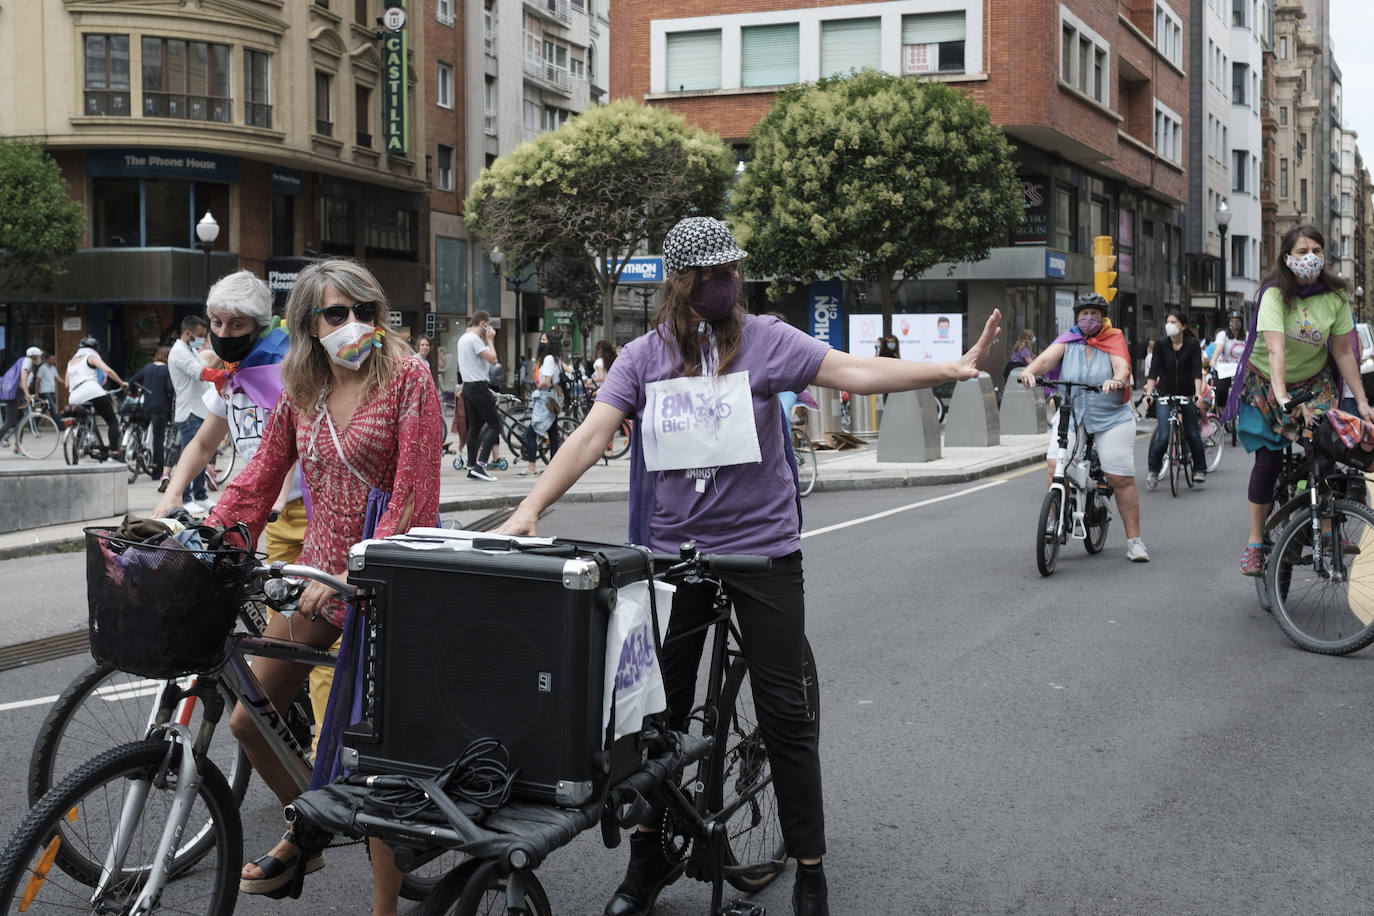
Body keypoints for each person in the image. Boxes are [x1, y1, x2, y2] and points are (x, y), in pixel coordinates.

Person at [499, 216, 1002, 916]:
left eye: (732, 269)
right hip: (674, 553)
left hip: (762, 549)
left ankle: (812, 869)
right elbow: (591, 435)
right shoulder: (643, 357)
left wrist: (948, 368)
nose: (726, 283)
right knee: (656, 719)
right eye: (711, 275)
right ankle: (647, 861)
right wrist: (532, 507)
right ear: (681, 284)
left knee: (785, 716)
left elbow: (850, 369)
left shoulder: (767, 339)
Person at [202, 259, 441, 914]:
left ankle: (384, 907)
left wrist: (357, 573)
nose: (355, 325)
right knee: (251, 718)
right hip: (317, 573)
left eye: (366, 311)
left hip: (388, 576)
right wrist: (207, 534)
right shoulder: (300, 387)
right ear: (308, 323)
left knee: (375, 757)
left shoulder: (407, 378)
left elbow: (416, 493)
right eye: (338, 314)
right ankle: (309, 828)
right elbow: (257, 477)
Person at [1226, 224, 1374, 575]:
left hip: (1314, 379)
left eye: (1317, 252)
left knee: (1324, 449)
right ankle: (1256, 543)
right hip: (1267, 382)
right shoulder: (1273, 295)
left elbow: (1343, 353)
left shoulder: (1335, 297)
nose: (1310, 258)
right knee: (1268, 462)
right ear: (1287, 259)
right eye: (1302, 252)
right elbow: (1275, 348)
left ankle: (1327, 534)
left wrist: (1363, 402)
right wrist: (1282, 396)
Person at [1020, 292, 1149, 562]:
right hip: (1073, 413)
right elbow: (1044, 360)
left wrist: (1116, 379)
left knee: (1119, 478)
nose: (1089, 318)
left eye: (1095, 314)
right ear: (1077, 317)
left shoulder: (1113, 339)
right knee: (1055, 465)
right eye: (1084, 314)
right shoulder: (1069, 340)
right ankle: (1057, 519)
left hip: (1110, 416)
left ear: (1103, 317)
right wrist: (1030, 371)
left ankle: (1135, 541)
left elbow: (1122, 366)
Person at [1140, 310, 1207, 488]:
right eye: (1168, 321)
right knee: (1162, 436)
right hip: (1165, 393)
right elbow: (1153, 372)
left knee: (1193, 433)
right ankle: (1153, 471)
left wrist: (1198, 393)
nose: (1170, 325)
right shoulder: (1161, 344)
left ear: (1183, 326)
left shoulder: (1192, 344)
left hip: (1186, 393)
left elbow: (1196, 371)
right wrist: (1149, 394)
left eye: (1174, 322)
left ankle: (1199, 469)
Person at [168, 315, 213, 512]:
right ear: (187, 333)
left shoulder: (191, 349)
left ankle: (200, 494)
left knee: (202, 456)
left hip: (199, 410)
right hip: (189, 412)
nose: (202, 340)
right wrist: (223, 374)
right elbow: (200, 373)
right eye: (200, 335)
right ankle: (185, 498)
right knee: (189, 457)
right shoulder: (179, 351)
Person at [66, 337, 126, 460]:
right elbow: (108, 371)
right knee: (112, 421)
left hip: (74, 397)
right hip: (93, 392)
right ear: (95, 349)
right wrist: (121, 383)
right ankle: (114, 453)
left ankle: (75, 453)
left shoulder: (70, 362)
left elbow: (67, 384)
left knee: (82, 420)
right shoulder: (91, 357)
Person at [458, 309, 501, 481]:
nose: (489, 328)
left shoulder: (463, 338)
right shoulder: (474, 340)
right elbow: (493, 359)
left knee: (474, 427)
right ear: (483, 323)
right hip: (478, 386)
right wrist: (490, 340)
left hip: (468, 387)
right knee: (495, 424)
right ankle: (481, 464)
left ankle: (471, 464)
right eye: (488, 324)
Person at [127, 346, 175, 484]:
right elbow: (170, 388)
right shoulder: (167, 370)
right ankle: (156, 472)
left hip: (145, 407)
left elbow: (132, 382)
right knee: (158, 441)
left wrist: (135, 392)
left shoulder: (147, 367)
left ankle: (139, 450)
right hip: (160, 409)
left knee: (142, 432)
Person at [519, 331, 564, 476]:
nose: (541, 342)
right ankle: (554, 467)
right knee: (552, 434)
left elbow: (547, 381)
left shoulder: (549, 359)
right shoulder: (556, 358)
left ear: (550, 343)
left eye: (544, 340)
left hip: (546, 399)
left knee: (530, 434)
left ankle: (532, 467)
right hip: (552, 398)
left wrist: (537, 389)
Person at [0, 346, 43, 453]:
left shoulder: (27, 362)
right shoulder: (27, 361)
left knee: (21, 421)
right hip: (15, 394)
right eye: (39, 356)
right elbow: (23, 377)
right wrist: (27, 393)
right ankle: (13, 443)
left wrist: (26, 394)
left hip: (18, 394)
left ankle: (18, 447)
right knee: (9, 421)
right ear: (35, 356)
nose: (41, 358)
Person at [1211, 311, 1246, 409]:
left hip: (1242, 369)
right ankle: (1222, 412)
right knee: (1221, 389)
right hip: (1227, 368)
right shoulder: (1223, 335)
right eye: (1232, 321)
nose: (1235, 323)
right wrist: (1213, 360)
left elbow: (1251, 351)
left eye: (1237, 321)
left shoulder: (1246, 336)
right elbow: (1219, 348)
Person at [36, 352, 62, 426]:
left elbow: (58, 378)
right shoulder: (42, 368)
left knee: (43, 409)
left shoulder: (53, 368)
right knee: (53, 409)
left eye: (54, 359)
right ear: (47, 360)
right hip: (44, 392)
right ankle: (61, 426)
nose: (53, 361)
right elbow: (37, 380)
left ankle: (34, 424)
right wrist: (37, 393)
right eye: (51, 359)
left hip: (51, 392)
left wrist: (66, 382)